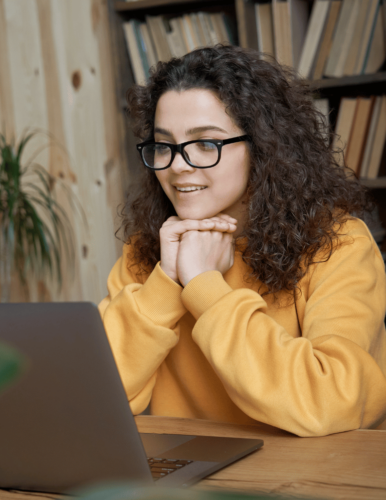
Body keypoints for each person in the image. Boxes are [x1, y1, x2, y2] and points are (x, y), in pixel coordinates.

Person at [98, 44, 386, 437]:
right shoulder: (149, 250)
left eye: (206, 144)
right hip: (189, 483)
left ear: (264, 147)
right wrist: (166, 280)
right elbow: (96, 396)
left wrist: (203, 285)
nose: (178, 165)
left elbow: (330, 401)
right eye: (164, 145)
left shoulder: (339, 244)